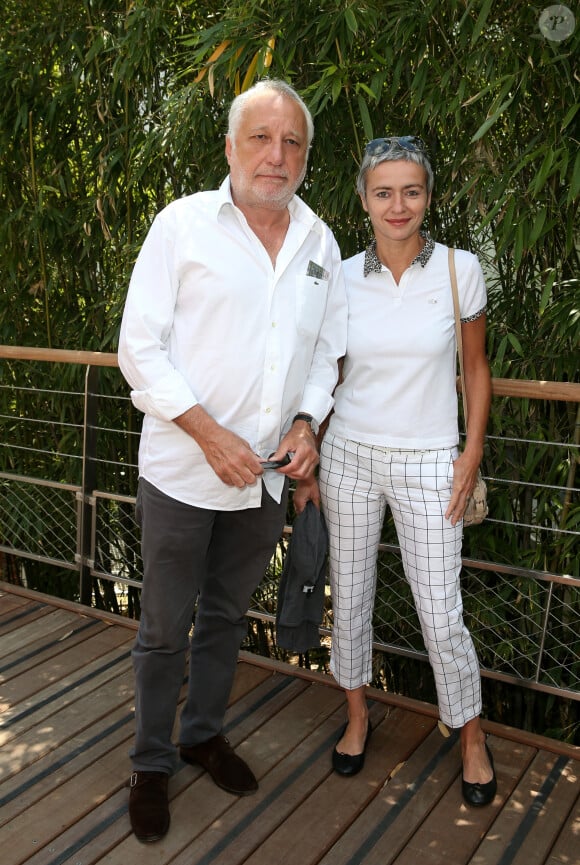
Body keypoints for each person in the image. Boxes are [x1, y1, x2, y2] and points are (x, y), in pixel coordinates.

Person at [117, 79, 347, 843]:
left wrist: (310, 422)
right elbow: (139, 348)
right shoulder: (182, 226)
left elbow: (327, 354)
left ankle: (202, 733)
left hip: (267, 481)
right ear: (229, 146)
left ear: (306, 158)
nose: (275, 156)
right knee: (162, 623)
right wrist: (207, 433)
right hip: (183, 472)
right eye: (260, 138)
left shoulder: (321, 242)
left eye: (291, 143)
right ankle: (151, 762)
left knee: (223, 617)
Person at [294, 135, 496, 807]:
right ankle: (356, 716)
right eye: (384, 192)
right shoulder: (342, 275)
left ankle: (470, 733)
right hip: (349, 452)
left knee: (442, 613)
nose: (398, 204)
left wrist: (471, 452)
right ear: (363, 201)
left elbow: (475, 367)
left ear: (429, 197)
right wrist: (312, 458)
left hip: (433, 459)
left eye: (411, 190)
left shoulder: (459, 270)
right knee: (348, 599)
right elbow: (330, 370)